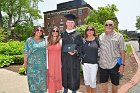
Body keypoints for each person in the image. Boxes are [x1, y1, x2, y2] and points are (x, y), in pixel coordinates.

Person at [99, 20, 125, 93]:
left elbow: (122, 51)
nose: (108, 26)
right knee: (103, 84)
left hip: (114, 64)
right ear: (104, 26)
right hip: (103, 64)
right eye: (106, 25)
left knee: (114, 84)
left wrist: (122, 65)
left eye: (110, 25)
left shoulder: (119, 36)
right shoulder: (101, 36)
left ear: (113, 26)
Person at [61, 13, 83, 93]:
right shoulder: (62, 34)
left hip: (74, 61)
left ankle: (74, 91)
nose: (70, 24)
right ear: (66, 23)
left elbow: (81, 47)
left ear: (74, 24)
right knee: (65, 76)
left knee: (74, 77)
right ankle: (65, 91)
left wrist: (76, 51)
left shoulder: (78, 35)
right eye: (68, 22)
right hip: (65, 60)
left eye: (72, 22)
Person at [23, 26, 47, 93]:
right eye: (37, 30)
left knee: (42, 82)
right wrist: (25, 63)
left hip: (42, 65)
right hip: (32, 65)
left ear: (42, 32)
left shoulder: (44, 40)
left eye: (41, 30)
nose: (39, 31)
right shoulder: (29, 40)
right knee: (33, 83)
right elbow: (25, 51)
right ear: (34, 31)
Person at [82, 26, 99, 93]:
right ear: (86, 31)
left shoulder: (97, 40)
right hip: (85, 64)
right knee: (86, 81)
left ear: (94, 31)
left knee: (93, 81)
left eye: (91, 29)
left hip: (94, 64)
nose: (89, 31)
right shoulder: (83, 40)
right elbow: (80, 50)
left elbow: (102, 50)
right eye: (88, 30)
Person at [47, 26, 62, 93]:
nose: (55, 32)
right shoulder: (47, 40)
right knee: (51, 79)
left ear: (58, 33)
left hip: (57, 64)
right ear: (51, 32)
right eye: (53, 31)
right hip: (50, 64)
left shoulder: (61, 41)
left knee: (56, 78)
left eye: (57, 31)